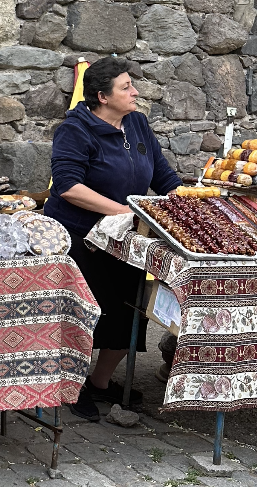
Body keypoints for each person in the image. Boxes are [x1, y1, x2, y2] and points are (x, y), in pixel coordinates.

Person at [45, 56, 181, 422]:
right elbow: (68, 186)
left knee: (124, 313)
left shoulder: (136, 122)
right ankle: (68, 387)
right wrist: (125, 211)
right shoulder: (75, 130)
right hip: (79, 237)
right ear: (102, 96)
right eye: (126, 87)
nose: (135, 92)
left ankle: (100, 383)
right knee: (84, 315)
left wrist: (187, 205)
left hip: (126, 241)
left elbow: (164, 177)